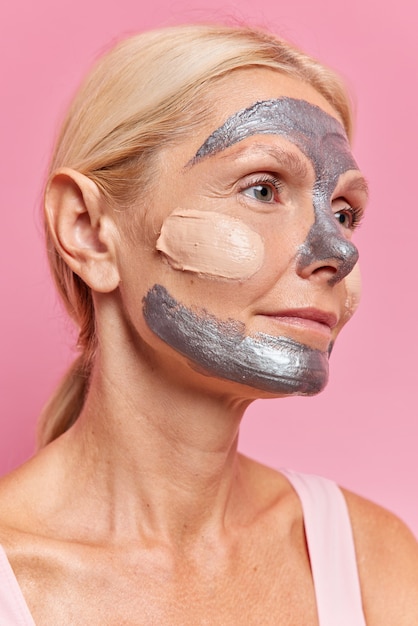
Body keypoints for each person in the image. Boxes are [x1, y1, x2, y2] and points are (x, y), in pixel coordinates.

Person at [0, 23, 417, 625]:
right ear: (89, 232)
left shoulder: (371, 558)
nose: (340, 251)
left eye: (345, 212)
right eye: (264, 188)